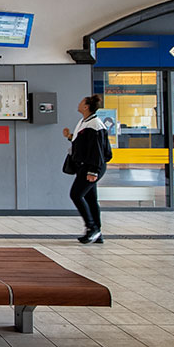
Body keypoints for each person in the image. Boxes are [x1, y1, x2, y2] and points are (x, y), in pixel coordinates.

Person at [63, 94, 108, 243]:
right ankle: (97, 233)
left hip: (91, 167)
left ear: (86, 107)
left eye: (81, 102)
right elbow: (83, 143)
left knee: (76, 194)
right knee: (90, 198)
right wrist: (69, 136)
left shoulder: (95, 125)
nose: (79, 104)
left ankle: (92, 227)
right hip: (85, 166)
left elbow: (98, 150)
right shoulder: (85, 122)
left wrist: (93, 171)